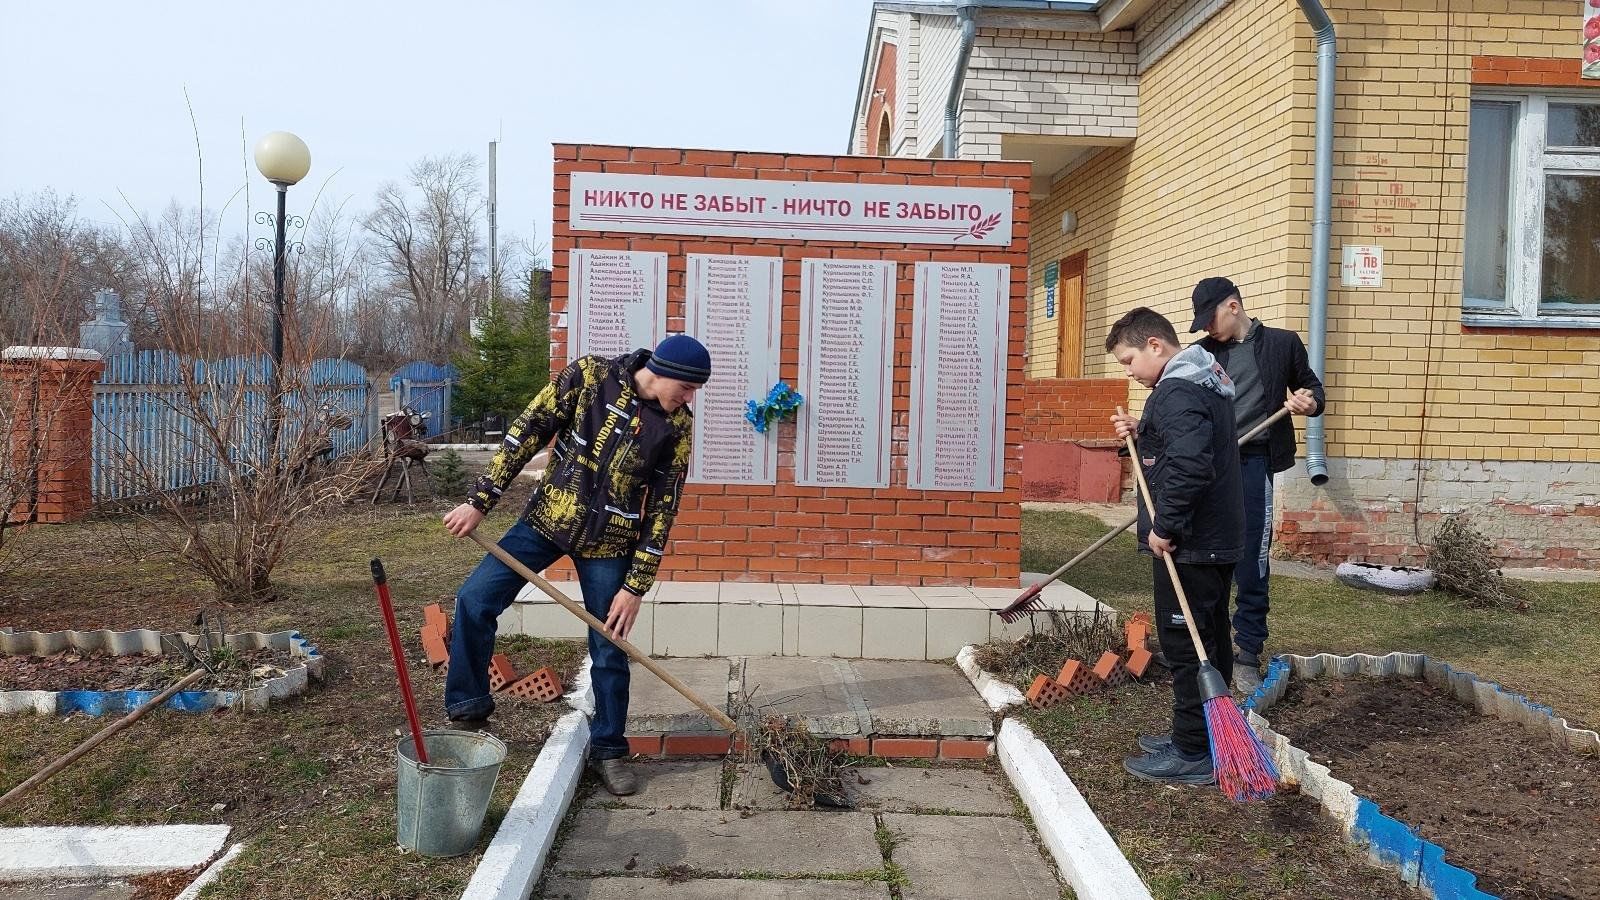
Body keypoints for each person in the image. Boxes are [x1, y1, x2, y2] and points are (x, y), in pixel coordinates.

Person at [440, 335, 709, 796]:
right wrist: (479, 502)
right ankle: (467, 706)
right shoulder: (589, 378)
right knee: (475, 599)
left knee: (609, 645)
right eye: (686, 389)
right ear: (664, 372)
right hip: (546, 520)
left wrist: (635, 586)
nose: (688, 399)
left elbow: (664, 509)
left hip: (611, 544)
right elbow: (526, 431)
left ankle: (609, 749)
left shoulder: (677, 428)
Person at [1106, 307, 1243, 786]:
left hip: (1191, 542)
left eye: (1128, 361)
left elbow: (1189, 465)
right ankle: (1205, 734)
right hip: (1215, 538)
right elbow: (1181, 448)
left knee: (1186, 646)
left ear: (1155, 346)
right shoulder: (1202, 381)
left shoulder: (1177, 392)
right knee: (1211, 639)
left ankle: (1192, 752)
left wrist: (1166, 525)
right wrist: (1142, 435)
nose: (1128, 371)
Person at [1189, 277, 1324, 693]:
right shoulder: (1202, 354)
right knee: (1204, 553)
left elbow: (1315, 390)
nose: (1205, 329)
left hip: (1253, 462)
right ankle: (1205, 648)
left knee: (1251, 558)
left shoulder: (1282, 344)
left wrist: (1307, 402)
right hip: (1212, 462)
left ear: (1233, 306)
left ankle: (1247, 649)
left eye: (1209, 319)